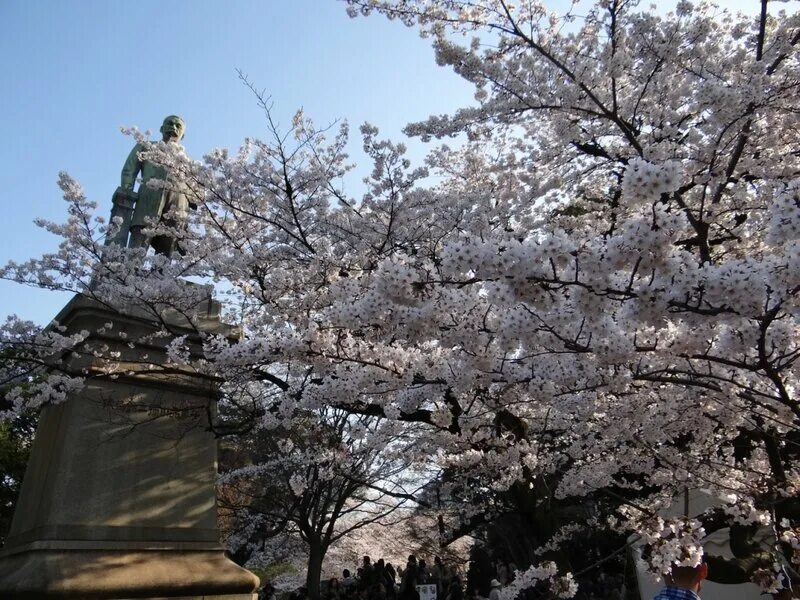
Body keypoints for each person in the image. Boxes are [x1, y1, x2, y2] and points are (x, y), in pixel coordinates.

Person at [112, 115, 192, 255]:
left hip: (177, 208)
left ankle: (161, 276)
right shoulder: (147, 147)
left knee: (166, 251)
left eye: (177, 126)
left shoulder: (187, 161)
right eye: (169, 124)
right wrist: (127, 191)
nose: (173, 127)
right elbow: (129, 170)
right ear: (161, 128)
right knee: (138, 245)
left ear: (183, 135)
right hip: (148, 202)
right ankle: (127, 275)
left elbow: (197, 189)